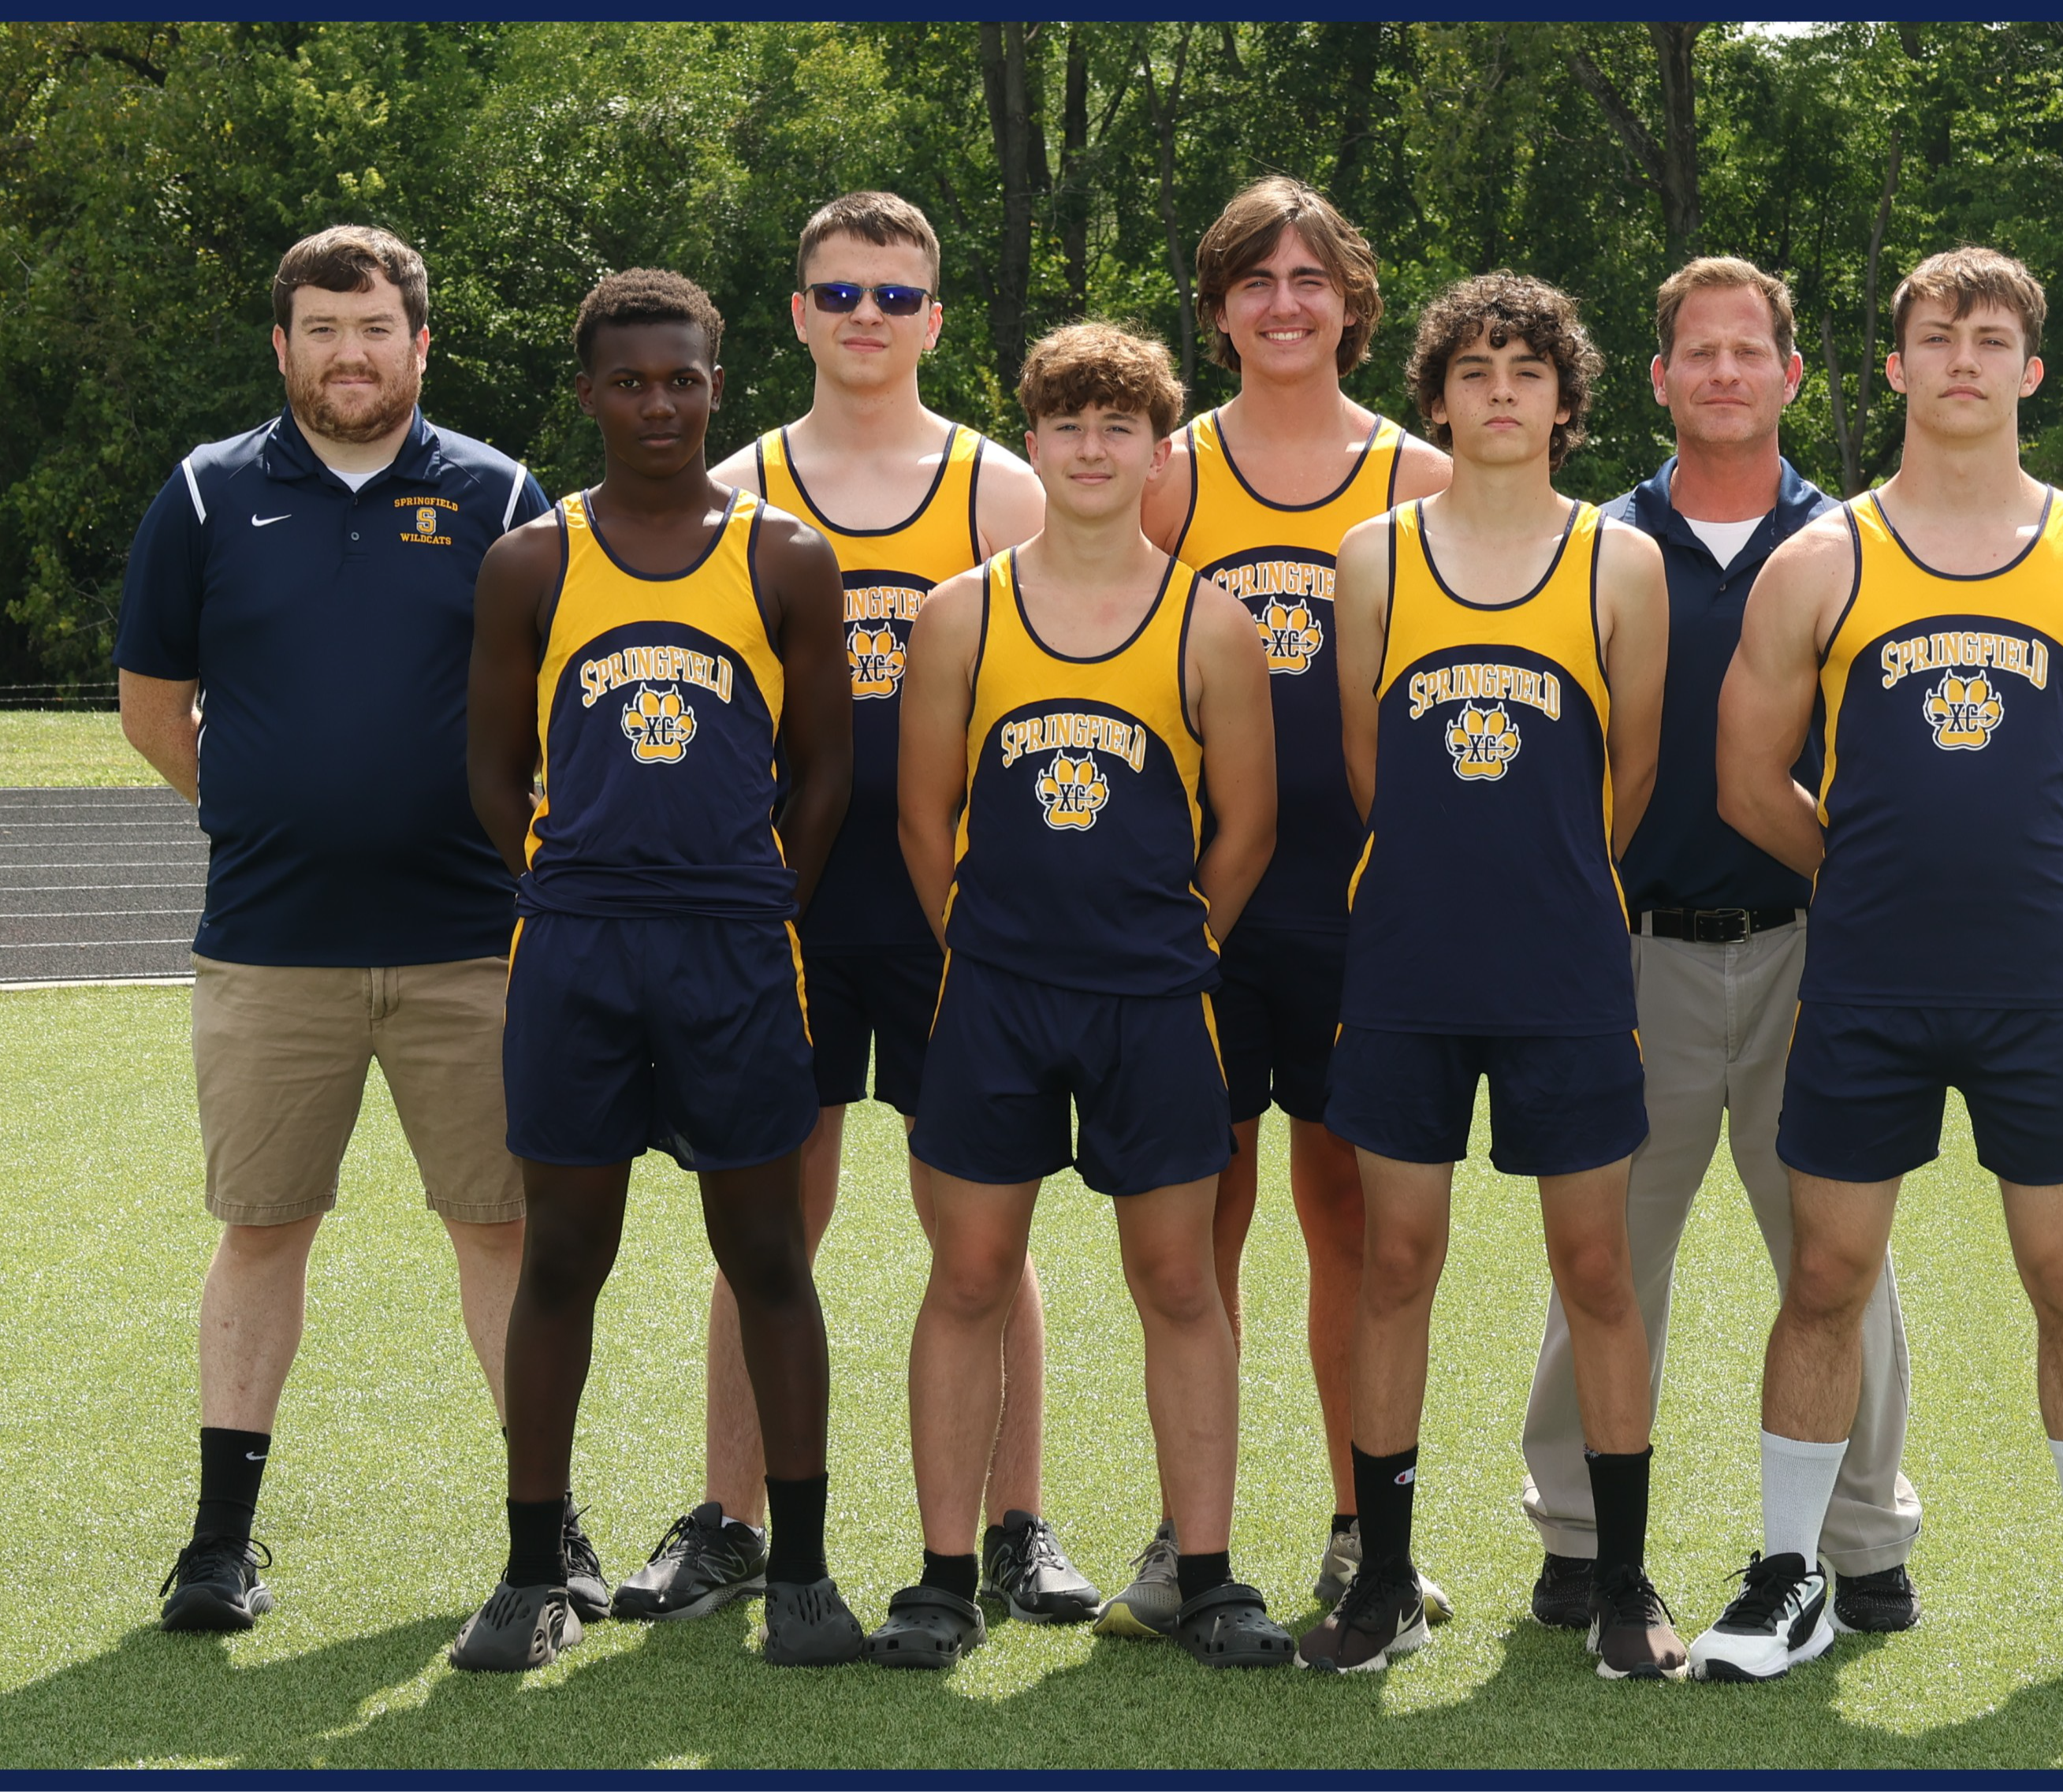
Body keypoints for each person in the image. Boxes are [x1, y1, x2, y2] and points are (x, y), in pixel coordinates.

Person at [1696, 247, 2063, 1690]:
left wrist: (2045, 878)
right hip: (1862, 981)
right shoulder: (1825, 560)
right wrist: (1866, 889)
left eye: (1992, 340)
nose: (1965, 361)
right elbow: (1747, 781)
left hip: (2034, 984)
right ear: (1894, 367)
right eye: (1937, 337)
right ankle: (1791, 1575)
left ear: (2029, 370)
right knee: (1826, 1272)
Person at [609, 192, 1083, 1629]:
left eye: (892, 295)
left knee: (984, 1239)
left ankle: (1014, 1525)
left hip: (956, 916)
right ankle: (730, 1518)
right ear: (798, 314)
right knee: (763, 1227)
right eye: (837, 294)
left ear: (934, 318)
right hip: (783, 918)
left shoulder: (1001, 490)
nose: (865, 317)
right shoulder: (738, 485)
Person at [115, 225, 560, 1634]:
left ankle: (543, 1541)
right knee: (262, 1230)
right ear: (282, 344)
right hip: (269, 942)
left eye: (372, 328)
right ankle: (217, 1548)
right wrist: (265, 807)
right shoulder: (203, 492)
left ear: (421, 343)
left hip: (473, 947)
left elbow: (557, 709)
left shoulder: (500, 495)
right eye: (319, 328)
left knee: (500, 1236)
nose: (347, 354)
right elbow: (151, 706)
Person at [452, 269, 858, 1671]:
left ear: (717, 386)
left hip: (737, 950)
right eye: (630, 381)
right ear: (587, 396)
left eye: (682, 379)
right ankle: (527, 1570)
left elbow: (825, 773)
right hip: (575, 949)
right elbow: (494, 770)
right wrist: (579, 882)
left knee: (766, 1255)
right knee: (564, 1253)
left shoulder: (784, 559)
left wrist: (754, 902)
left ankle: (798, 1571)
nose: (659, 404)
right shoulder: (536, 562)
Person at [1514, 258, 1926, 1636]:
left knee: (1835, 1254)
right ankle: (1578, 1533)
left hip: (1821, 948)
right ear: (1659, 379)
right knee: (1604, 1257)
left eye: (1751, 351)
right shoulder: (1595, 545)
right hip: (1632, 949)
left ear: (1793, 376)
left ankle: (1858, 1538)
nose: (1726, 374)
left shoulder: (1862, 542)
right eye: (1699, 353)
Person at [874, 321, 1288, 1672]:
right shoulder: (964, 611)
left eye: (1120, 426)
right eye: (1068, 425)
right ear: (1034, 442)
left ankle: (1210, 1574)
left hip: (1156, 1004)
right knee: (972, 1272)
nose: (1094, 448)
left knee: (1178, 1280)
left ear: (1158, 451)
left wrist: (1172, 947)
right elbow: (923, 818)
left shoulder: (1210, 623)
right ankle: (945, 1577)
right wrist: (983, 947)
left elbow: (1247, 829)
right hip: (994, 1001)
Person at [1310, 274, 1681, 1679]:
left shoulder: (1618, 564)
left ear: (1569, 402)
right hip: (1406, 964)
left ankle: (1624, 1581)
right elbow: (1366, 762)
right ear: (1438, 397)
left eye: (1528, 368)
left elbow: (1629, 770)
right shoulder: (1374, 559)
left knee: (1594, 1265)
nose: (1502, 390)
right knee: (1395, 1259)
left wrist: (1551, 884)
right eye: (1474, 369)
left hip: (1565, 971)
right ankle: (1387, 1579)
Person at [1130, 174, 1455, 1630]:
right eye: (1254, 280)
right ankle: (1183, 1536)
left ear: (1352, 305)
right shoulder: (1167, 478)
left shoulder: (1418, 482)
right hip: (1195, 906)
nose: (1282, 301)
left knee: (1352, 1222)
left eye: (1309, 278)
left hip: (1363, 916)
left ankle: (1354, 1525)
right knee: (1197, 1226)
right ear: (1215, 313)